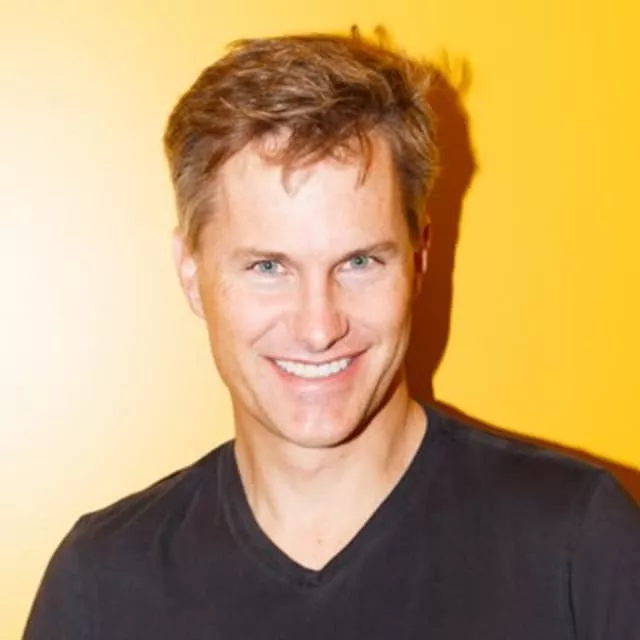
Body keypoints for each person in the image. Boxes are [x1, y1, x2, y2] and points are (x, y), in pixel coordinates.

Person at [24, 30, 640, 640]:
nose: (319, 328)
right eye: (269, 267)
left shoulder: (580, 546)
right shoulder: (99, 586)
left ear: (419, 260)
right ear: (191, 272)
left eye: (359, 262)